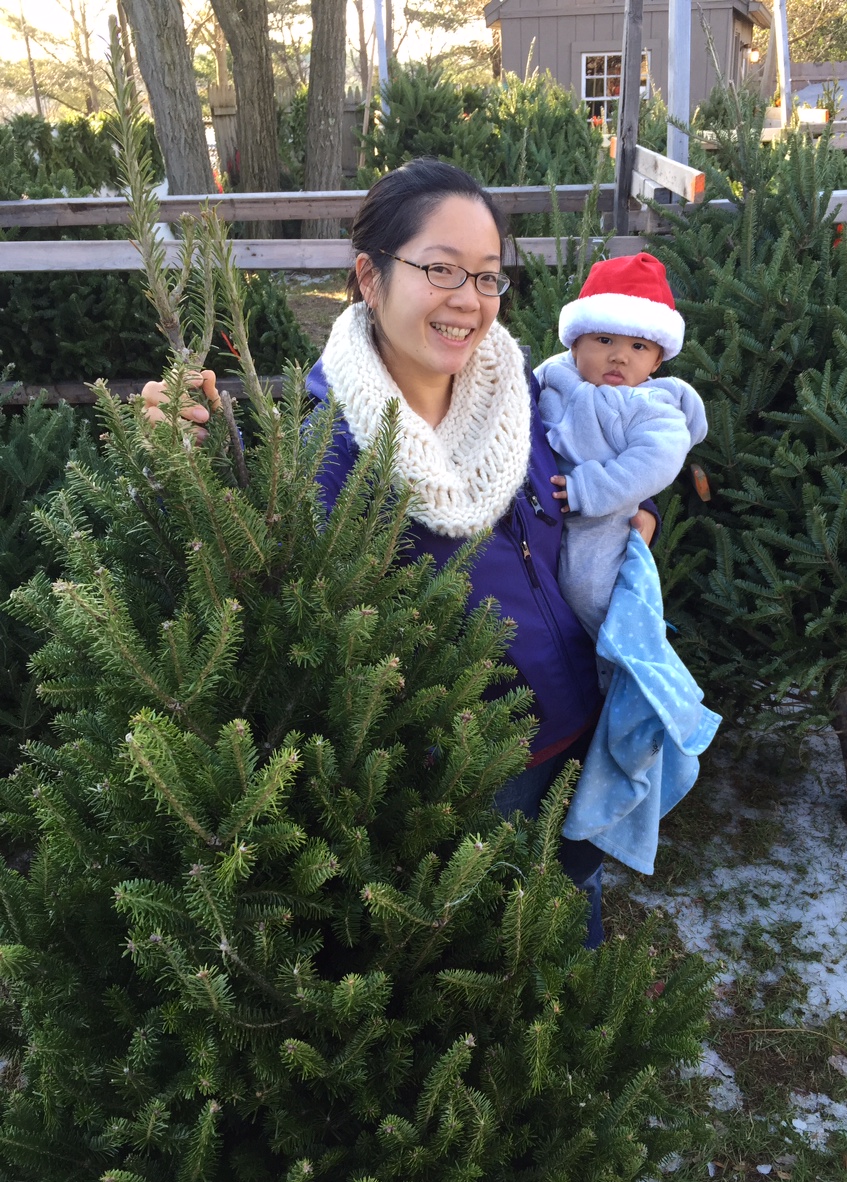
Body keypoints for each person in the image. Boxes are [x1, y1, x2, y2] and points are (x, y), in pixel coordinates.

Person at [142, 158, 658, 948]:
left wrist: (638, 514)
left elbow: (590, 476)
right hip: (472, 775)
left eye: (486, 276)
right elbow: (262, 583)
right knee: (494, 954)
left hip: (581, 724)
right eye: (440, 269)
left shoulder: (521, 390)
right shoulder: (334, 452)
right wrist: (188, 461)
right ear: (370, 277)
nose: (469, 300)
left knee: (573, 907)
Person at [534, 252, 708, 662]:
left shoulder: (653, 406)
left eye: (638, 346)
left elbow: (654, 463)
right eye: (604, 340)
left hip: (602, 518)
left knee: (588, 592)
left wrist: (591, 487)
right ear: (575, 342)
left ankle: (622, 660)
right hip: (544, 509)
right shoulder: (553, 376)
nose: (619, 356)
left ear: (657, 359)